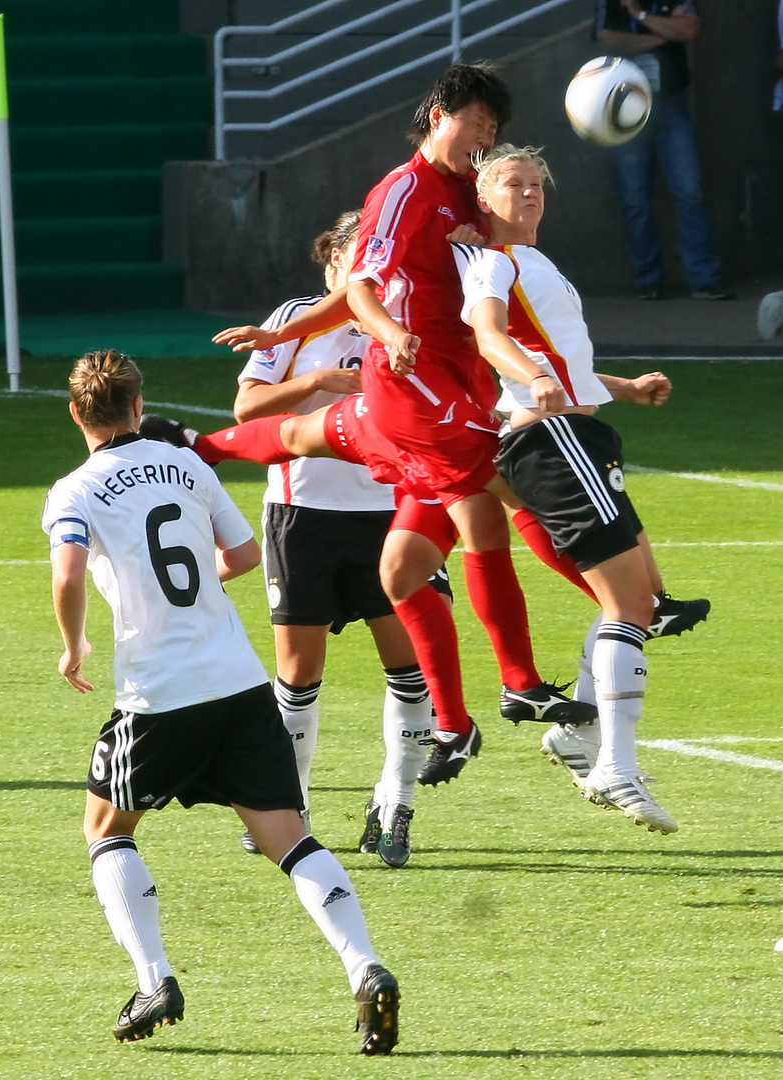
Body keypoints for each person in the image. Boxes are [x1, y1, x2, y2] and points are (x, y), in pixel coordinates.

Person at [42, 349, 400, 1053]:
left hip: (159, 694)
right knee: (289, 839)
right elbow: (240, 555)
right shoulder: (189, 465)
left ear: (78, 412)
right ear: (139, 406)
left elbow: (69, 572)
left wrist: (74, 641)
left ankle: (155, 980)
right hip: (237, 683)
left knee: (107, 830)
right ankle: (365, 966)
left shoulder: (74, 489)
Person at [343, 61, 598, 785]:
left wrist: (504, 211)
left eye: (493, 131)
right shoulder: (402, 191)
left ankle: (453, 725)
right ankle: (620, 605)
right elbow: (360, 284)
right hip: (414, 384)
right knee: (511, 499)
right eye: (476, 127)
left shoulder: (465, 189)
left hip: (459, 384)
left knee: (401, 570)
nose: (483, 141)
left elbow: (497, 255)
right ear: (438, 118)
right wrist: (390, 335)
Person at [451, 142, 688, 833]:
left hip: (580, 434)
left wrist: (626, 388)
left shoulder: (537, 263)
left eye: (535, 185)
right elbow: (489, 336)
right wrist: (534, 377)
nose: (528, 193)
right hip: (549, 440)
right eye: (511, 184)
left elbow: (559, 358)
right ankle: (613, 762)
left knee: (642, 598)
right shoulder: (493, 262)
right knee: (628, 601)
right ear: (483, 199)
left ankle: (584, 737)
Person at [231, 209, 443, 870]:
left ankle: (395, 802)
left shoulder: (412, 322)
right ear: (333, 267)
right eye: (359, 261)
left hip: (393, 515)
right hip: (305, 516)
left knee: (411, 668)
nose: (371, 274)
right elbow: (246, 409)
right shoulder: (294, 319)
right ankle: (288, 810)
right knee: (299, 675)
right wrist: (317, 382)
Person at [593, 1, 734, 300]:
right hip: (625, 108)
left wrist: (639, 15)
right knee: (635, 198)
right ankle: (649, 280)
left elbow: (691, 29)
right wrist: (663, 33)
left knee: (690, 191)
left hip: (671, 104)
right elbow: (608, 38)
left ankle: (705, 279)